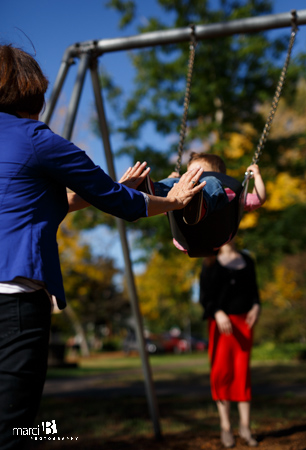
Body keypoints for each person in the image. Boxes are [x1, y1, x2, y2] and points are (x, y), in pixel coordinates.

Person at [0, 44, 205, 450]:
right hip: (13, 304)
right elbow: (124, 205)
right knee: (14, 428)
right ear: (34, 92)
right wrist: (175, 200)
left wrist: (107, 191)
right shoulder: (38, 139)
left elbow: (34, 204)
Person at [199, 242, 262, 448]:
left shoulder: (247, 260)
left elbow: (254, 291)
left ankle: (245, 426)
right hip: (221, 326)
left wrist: (256, 306)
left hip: (244, 324)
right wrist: (217, 312)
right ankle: (226, 427)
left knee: (242, 373)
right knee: (222, 373)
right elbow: (205, 297)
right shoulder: (210, 261)